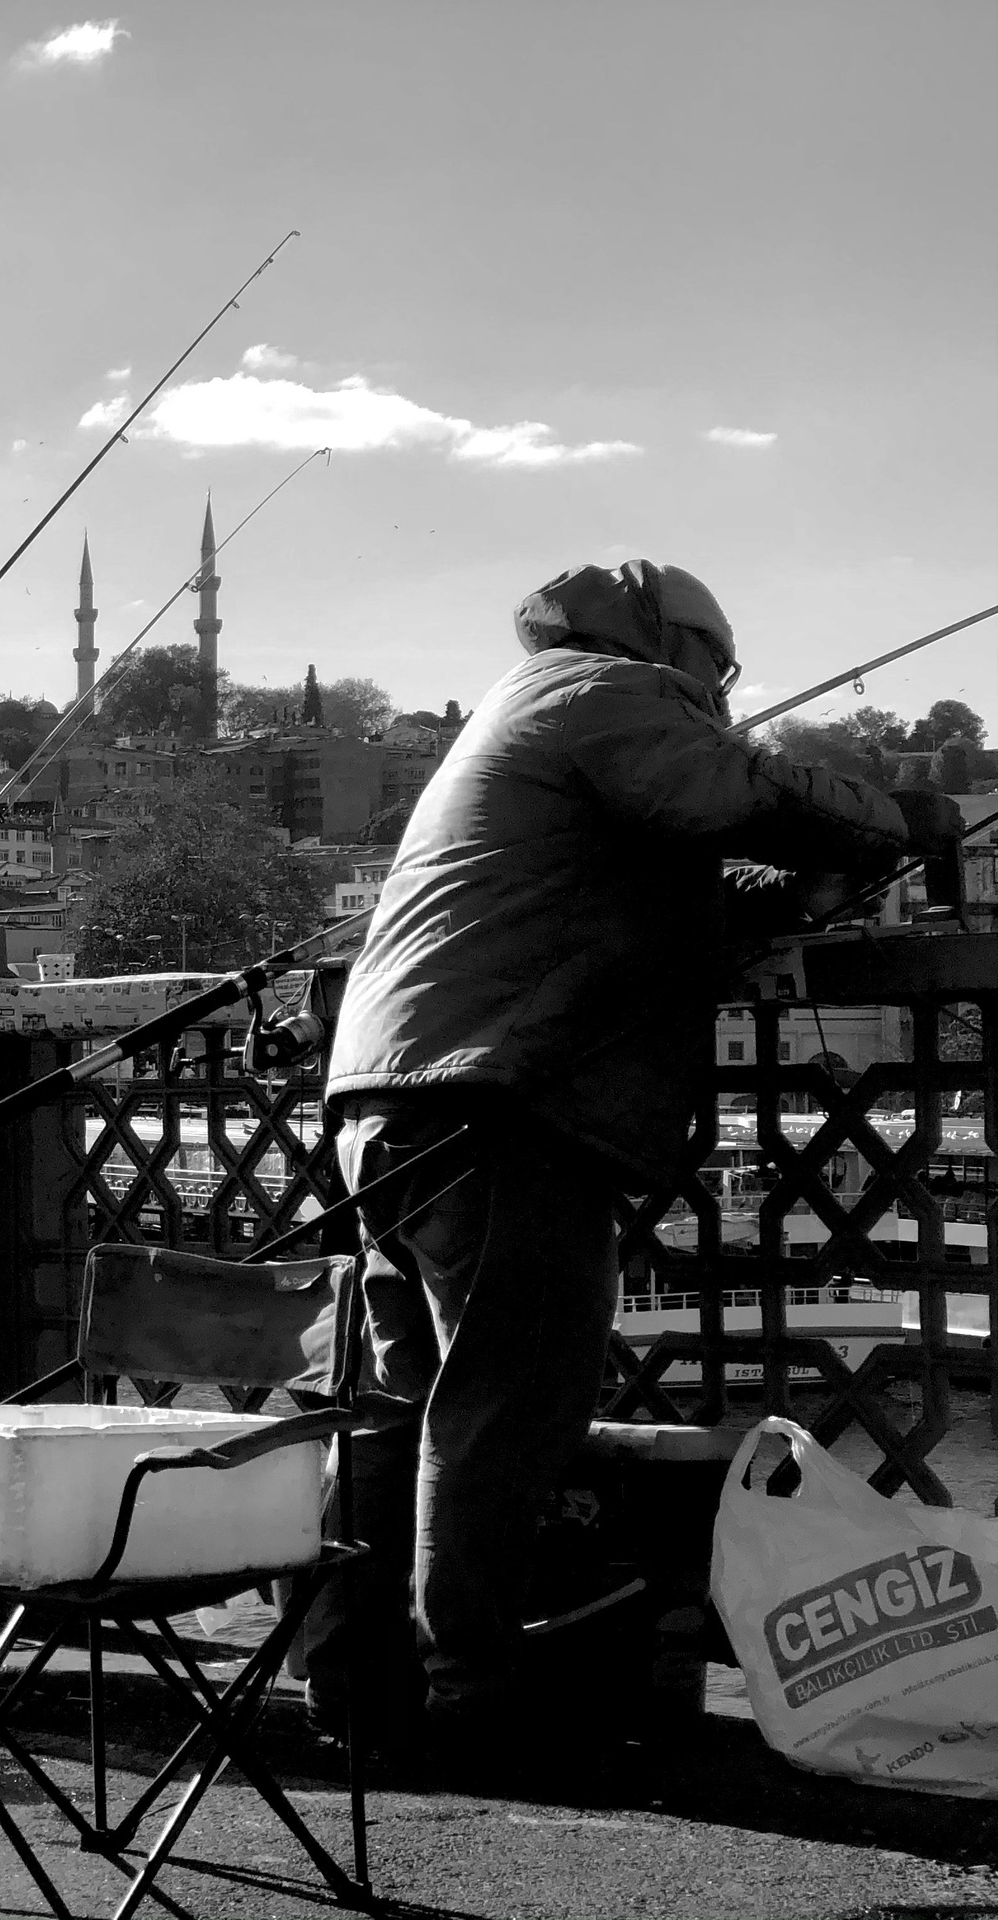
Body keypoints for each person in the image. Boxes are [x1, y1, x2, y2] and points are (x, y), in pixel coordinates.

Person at [311, 560, 957, 1758]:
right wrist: (896, 819)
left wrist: (789, 886)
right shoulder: (598, 690)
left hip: (403, 1092)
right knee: (504, 1411)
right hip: (501, 1102)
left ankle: (365, 1690)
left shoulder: (545, 710)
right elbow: (729, 790)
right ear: (675, 641)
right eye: (718, 666)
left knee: (406, 1408)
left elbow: (652, 889)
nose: (722, 691)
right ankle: (476, 1697)